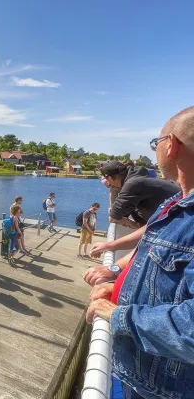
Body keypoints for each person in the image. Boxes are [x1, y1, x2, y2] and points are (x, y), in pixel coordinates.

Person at [86, 106, 194, 398]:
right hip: (142, 373)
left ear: (170, 145)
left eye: (155, 143)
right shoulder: (176, 204)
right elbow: (151, 248)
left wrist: (120, 315)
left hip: (167, 387)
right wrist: (117, 277)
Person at [101, 160, 180, 228]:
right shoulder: (136, 178)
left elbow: (113, 218)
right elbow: (121, 212)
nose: (108, 183)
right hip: (178, 216)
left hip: (177, 220)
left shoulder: (133, 184)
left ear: (111, 178)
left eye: (107, 179)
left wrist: (132, 224)